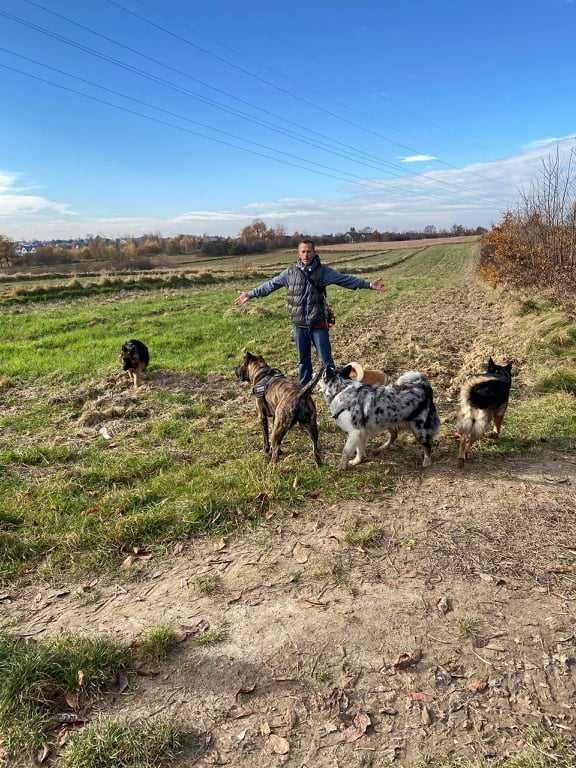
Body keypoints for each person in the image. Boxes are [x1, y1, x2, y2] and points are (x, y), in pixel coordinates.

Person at [234, 239, 386, 385]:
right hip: (299, 326)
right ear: (298, 254)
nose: (306, 254)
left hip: (318, 324)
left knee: (326, 361)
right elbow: (270, 285)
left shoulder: (324, 272)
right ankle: (304, 391)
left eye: (309, 251)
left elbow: (346, 279)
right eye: (303, 251)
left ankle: (334, 389)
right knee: (303, 361)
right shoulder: (290, 273)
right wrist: (250, 294)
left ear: (314, 252)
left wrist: (370, 285)